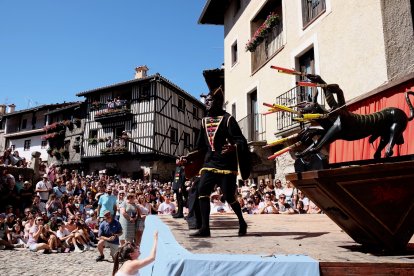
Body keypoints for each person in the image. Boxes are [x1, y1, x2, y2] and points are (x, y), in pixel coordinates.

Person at [184, 86, 250, 237]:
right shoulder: (203, 121)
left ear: (218, 102)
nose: (206, 103)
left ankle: (241, 221)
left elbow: (241, 141)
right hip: (209, 163)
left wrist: (234, 147)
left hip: (227, 164)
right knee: (202, 191)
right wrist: (188, 158)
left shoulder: (228, 120)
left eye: (209, 100)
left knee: (228, 196)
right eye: (205, 101)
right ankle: (205, 228)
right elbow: (200, 147)